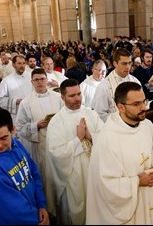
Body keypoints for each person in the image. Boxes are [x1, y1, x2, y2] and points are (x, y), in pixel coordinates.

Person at [86, 81, 153, 224]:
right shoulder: (107, 138)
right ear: (120, 107)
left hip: (149, 197)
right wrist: (137, 182)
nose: (143, 108)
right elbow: (105, 183)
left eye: (144, 101)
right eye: (136, 104)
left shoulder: (147, 126)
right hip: (128, 210)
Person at [0, 107, 50, 225]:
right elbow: (12, 211)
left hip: (35, 212)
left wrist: (41, 205)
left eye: (3, 138)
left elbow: (33, 174)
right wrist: (37, 219)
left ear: (13, 130)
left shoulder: (16, 144)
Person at [46, 79, 104, 224]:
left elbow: (106, 138)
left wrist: (91, 137)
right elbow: (55, 152)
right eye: (72, 96)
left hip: (95, 171)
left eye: (79, 94)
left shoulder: (91, 114)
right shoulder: (57, 122)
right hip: (73, 175)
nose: (77, 98)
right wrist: (77, 139)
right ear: (62, 97)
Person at [15, 68, 64, 216]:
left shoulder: (58, 97)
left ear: (46, 80)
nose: (40, 82)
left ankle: (62, 205)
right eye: (36, 80)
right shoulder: (25, 102)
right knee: (46, 178)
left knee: (59, 175)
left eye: (42, 79)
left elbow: (65, 116)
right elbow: (20, 127)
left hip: (59, 143)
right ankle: (48, 209)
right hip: (40, 146)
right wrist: (36, 125)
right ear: (32, 82)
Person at [92, 48, 141, 122]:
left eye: (130, 63)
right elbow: (100, 114)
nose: (128, 67)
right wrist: (124, 119)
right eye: (124, 63)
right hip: (114, 129)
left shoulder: (135, 82)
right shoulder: (104, 86)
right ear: (115, 63)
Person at [0, 54, 32, 123]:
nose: (22, 66)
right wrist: (15, 101)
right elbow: (0, 100)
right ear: (13, 65)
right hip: (17, 115)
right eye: (19, 63)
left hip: (32, 111)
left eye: (23, 63)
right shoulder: (6, 81)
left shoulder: (31, 76)